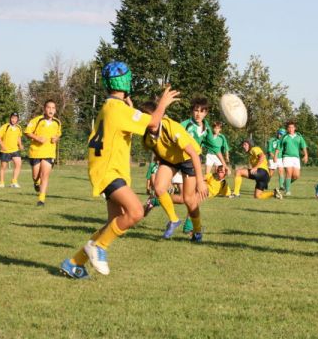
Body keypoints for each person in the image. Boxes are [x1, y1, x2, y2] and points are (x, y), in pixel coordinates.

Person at [60, 61, 179, 278]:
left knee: (113, 224)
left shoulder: (109, 107)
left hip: (104, 169)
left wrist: (130, 108)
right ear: (127, 81)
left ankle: (74, 262)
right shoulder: (118, 109)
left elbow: (127, 122)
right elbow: (153, 123)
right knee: (136, 212)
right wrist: (162, 103)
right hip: (110, 171)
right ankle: (100, 248)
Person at [141, 101, 208, 242]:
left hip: (188, 158)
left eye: (149, 116)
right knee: (158, 189)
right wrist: (166, 174)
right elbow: (158, 153)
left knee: (189, 199)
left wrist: (201, 181)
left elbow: (194, 155)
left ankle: (197, 230)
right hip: (170, 160)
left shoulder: (171, 126)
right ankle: (174, 220)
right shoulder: (146, 137)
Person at [180, 97, 213, 234]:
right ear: (192, 111)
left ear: (206, 113)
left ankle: (189, 225)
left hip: (192, 163)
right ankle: (158, 200)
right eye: (195, 110)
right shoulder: (185, 125)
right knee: (188, 197)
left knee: (191, 196)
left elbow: (214, 146)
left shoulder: (206, 128)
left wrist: (224, 163)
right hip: (178, 160)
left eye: (202, 111)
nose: (198, 114)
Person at [25, 100, 61, 206]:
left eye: (53, 108)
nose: (51, 110)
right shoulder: (37, 120)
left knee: (44, 175)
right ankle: (36, 182)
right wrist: (37, 138)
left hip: (49, 152)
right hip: (35, 152)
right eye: (48, 107)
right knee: (36, 176)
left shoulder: (57, 122)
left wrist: (56, 138)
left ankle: (41, 199)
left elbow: (58, 134)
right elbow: (27, 132)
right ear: (44, 109)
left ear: (55, 110)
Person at [280, 121, 308, 196]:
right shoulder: (284, 137)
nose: (291, 129)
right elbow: (279, 148)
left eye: (292, 127)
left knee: (296, 176)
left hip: (296, 158)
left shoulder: (299, 137)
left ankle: (285, 184)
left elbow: (304, 146)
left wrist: (306, 155)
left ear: (295, 128)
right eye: (289, 127)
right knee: (289, 173)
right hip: (287, 157)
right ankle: (287, 190)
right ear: (287, 129)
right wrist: (277, 156)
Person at [0, 112, 24, 188]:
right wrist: (2, 146)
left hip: (15, 150)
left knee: (18, 164)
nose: (13, 120)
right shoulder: (5, 126)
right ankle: (1, 182)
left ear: (17, 119)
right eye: (12, 118)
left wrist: (20, 145)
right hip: (5, 151)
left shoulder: (19, 128)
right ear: (10, 118)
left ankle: (14, 182)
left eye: (15, 118)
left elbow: (19, 137)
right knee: (3, 167)